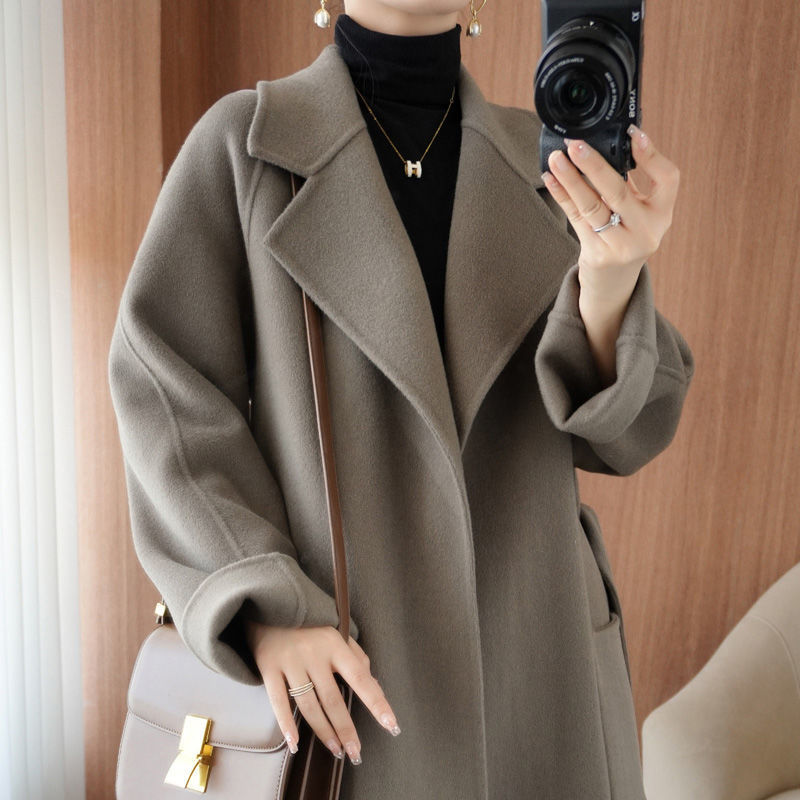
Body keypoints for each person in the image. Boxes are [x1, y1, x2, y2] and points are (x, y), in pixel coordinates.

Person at [107, 1, 694, 797]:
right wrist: (264, 600)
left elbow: (626, 432)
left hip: (541, 675)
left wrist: (613, 280)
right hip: (353, 677)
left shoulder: (552, 164)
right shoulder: (247, 147)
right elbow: (164, 390)